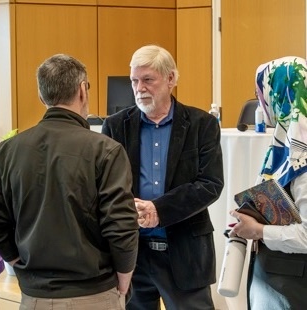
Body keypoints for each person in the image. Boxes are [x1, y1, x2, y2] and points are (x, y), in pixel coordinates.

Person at [0, 54, 139, 310]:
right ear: (82, 90)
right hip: (94, 294)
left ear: (42, 98)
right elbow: (121, 225)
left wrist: (14, 258)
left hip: (32, 297)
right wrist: (124, 280)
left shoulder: (7, 151)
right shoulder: (106, 150)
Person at [102, 45, 224, 310]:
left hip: (184, 250)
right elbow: (103, 185)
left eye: (148, 80)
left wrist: (159, 209)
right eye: (134, 80)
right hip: (132, 253)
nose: (139, 88)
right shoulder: (114, 125)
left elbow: (210, 184)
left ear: (170, 79)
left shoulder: (202, 124)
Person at [229, 56, 307, 309]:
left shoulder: (301, 153)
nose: (262, 102)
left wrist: (259, 231)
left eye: (263, 93)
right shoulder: (285, 143)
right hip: (280, 279)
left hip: (292, 285)